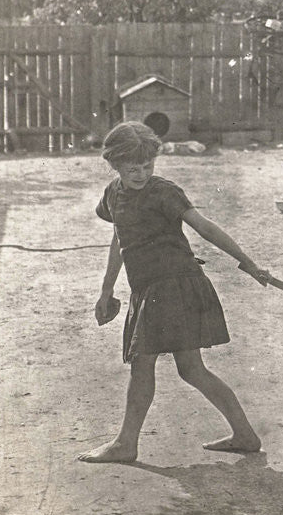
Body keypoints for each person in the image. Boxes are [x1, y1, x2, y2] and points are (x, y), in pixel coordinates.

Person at [78, 121, 270, 464]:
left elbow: (204, 226)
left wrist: (248, 262)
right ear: (115, 165)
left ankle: (126, 444)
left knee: (146, 365)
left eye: (147, 166)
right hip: (148, 289)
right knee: (190, 369)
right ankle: (244, 434)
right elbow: (118, 240)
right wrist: (106, 290)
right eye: (131, 168)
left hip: (176, 285)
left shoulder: (164, 191)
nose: (140, 174)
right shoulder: (112, 194)